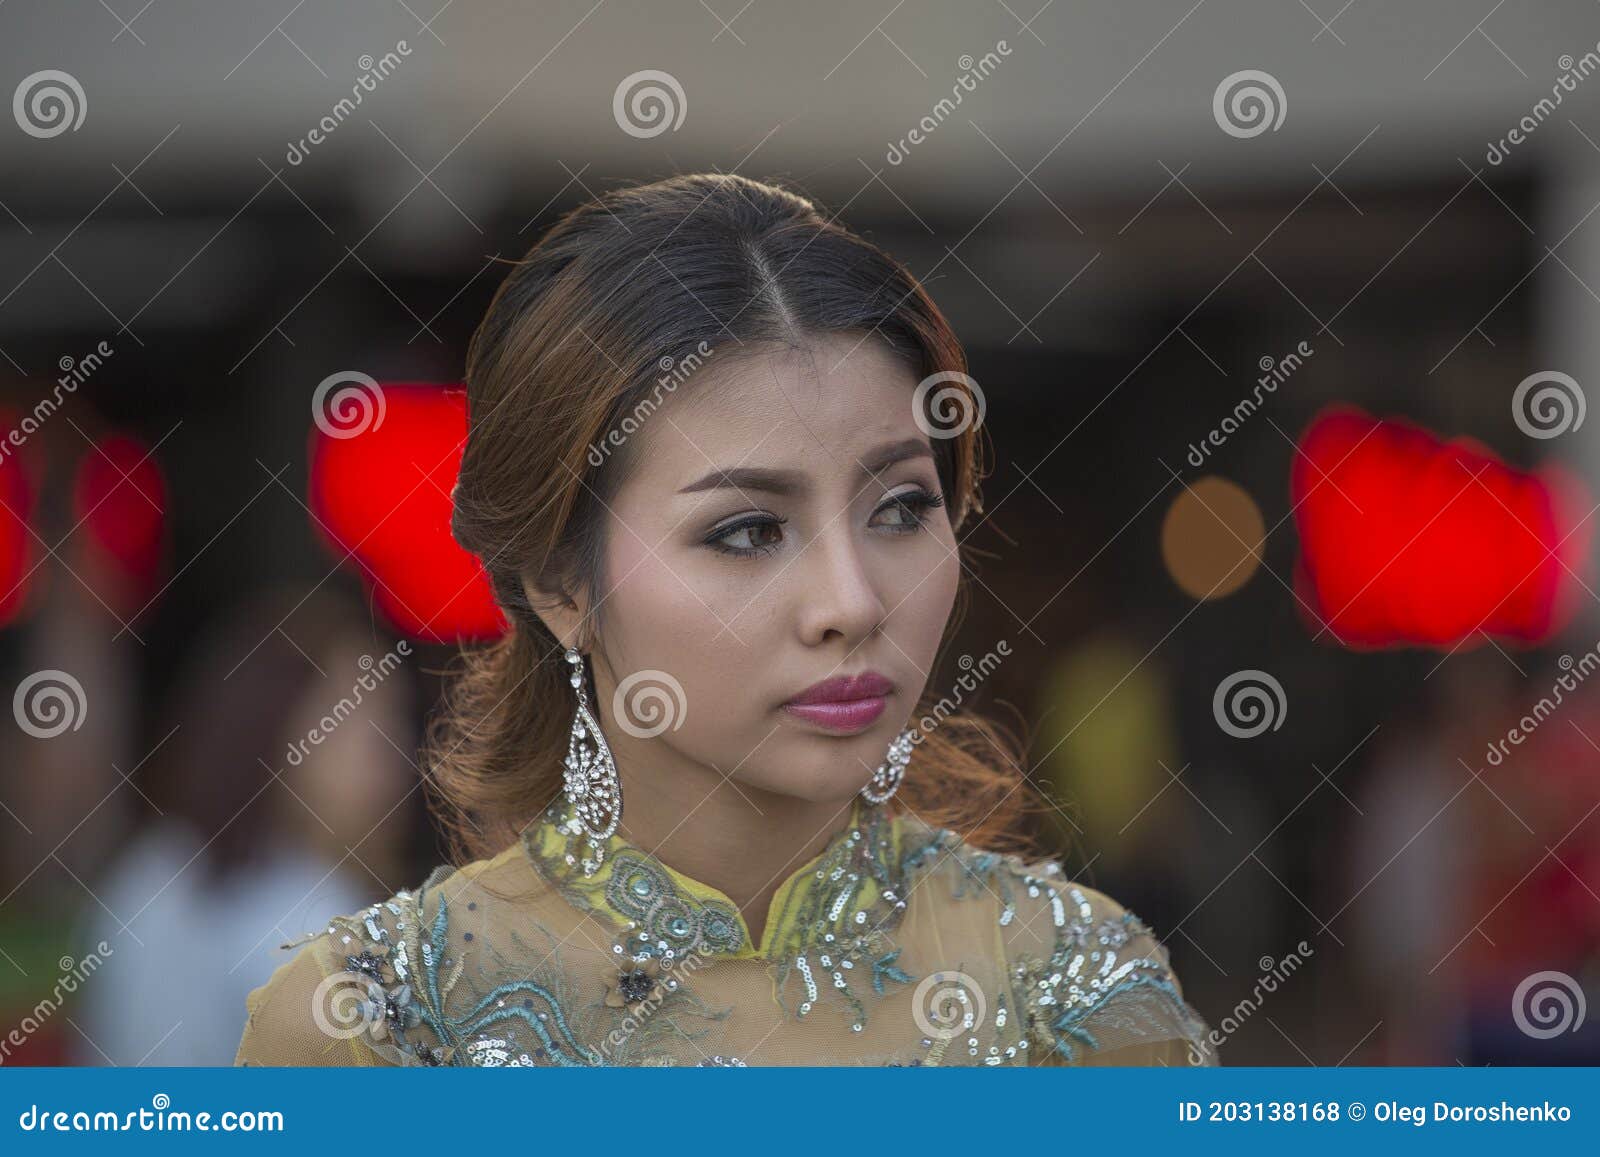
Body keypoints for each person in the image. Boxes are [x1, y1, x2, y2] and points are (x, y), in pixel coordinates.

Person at [234, 172, 1215, 1067]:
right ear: (558, 584)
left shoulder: (1079, 991)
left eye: (902, 508)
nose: (852, 602)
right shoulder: (380, 1026)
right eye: (748, 530)